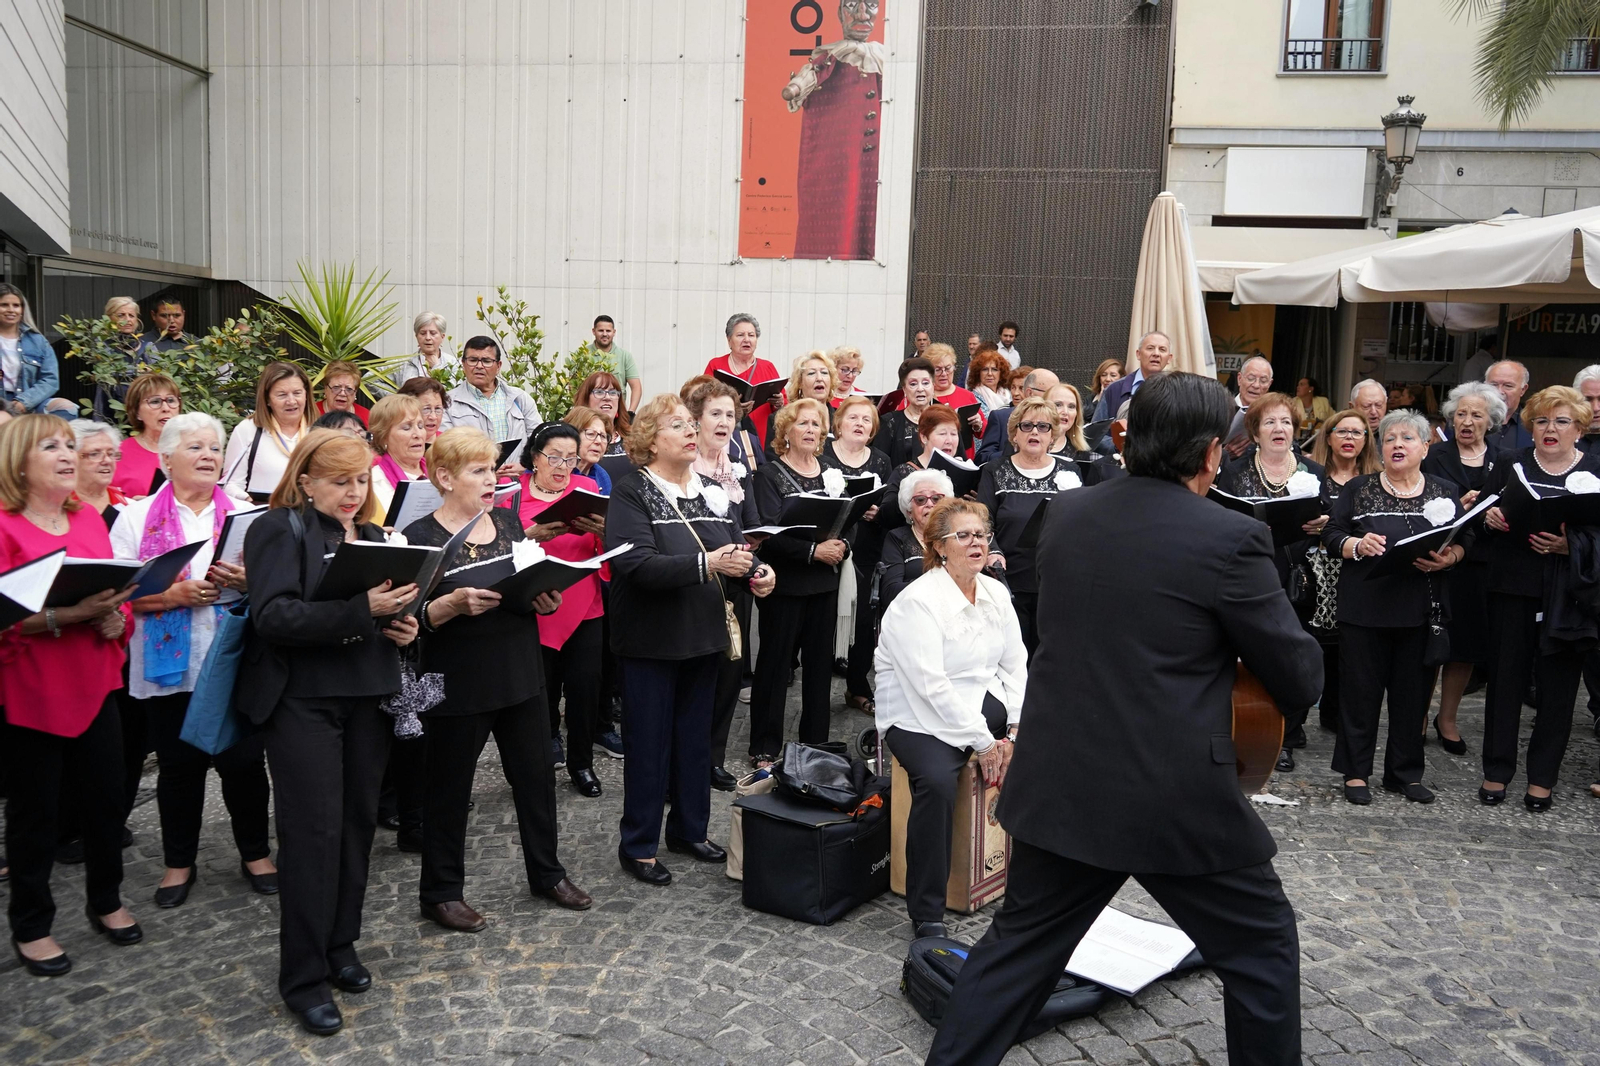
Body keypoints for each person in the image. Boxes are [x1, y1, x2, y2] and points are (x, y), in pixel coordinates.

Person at [926, 372, 1322, 1066]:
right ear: (1210, 454)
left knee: (1016, 954)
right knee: (1261, 950)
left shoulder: (1066, 515)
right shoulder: (1233, 539)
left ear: (1127, 438)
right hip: (1172, 793)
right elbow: (1299, 676)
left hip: (1064, 778)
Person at [239, 429, 420, 1036]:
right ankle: (303, 977)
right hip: (301, 702)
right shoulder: (277, 529)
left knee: (355, 827)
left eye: (361, 480)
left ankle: (341, 946)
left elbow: (385, 613)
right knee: (312, 834)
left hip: (367, 696)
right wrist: (359, 612)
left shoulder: (372, 537)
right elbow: (271, 615)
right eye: (339, 481)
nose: (353, 492)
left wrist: (402, 627)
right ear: (306, 480)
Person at [404, 428, 591, 933]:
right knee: (448, 789)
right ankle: (440, 893)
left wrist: (543, 596)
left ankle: (547, 873)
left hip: (520, 673)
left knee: (534, 780)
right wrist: (446, 606)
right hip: (457, 681)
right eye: (478, 471)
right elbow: (408, 621)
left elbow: (528, 584)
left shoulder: (508, 523)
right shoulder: (419, 537)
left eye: (492, 469)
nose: (492, 479)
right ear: (444, 477)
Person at [605, 395, 775, 885]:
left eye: (688, 424)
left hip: (703, 637)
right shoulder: (631, 490)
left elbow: (733, 546)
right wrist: (709, 564)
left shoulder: (707, 490)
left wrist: (758, 572)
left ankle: (688, 829)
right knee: (648, 744)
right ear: (648, 439)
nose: (688, 431)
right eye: (675, 424)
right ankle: (638, 844)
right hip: (651, 641)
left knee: (694, 741)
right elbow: (633, 564)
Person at [109, 412, 274, 908]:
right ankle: (178, 862)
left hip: (231, 658)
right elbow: (113, 597)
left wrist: (248, 582)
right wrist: (171, 596)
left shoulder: (246, 514)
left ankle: (256, 854)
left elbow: (275, 585)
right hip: (170, 667)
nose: (208, 456)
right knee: (179, 767)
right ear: (166, 458)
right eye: (195, 448)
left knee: (243, 762)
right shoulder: (135, 519)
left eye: (214, 448)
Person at [0, 415, 140, 977]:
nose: (66, 453)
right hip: (33, 690)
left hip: (96, 682)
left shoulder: (88, 520)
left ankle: (105, 900)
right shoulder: (5, 527)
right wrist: (67, 615)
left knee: (106, 804)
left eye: (68, 445)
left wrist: (115, 619)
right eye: (50, 446)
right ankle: (31, 926)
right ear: (18, 462)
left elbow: (116, 591)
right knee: (35, 816)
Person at [875, 498, 1025, 940]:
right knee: (937, 783)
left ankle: (1018, 879)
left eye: (981, 534)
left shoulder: (996, 591)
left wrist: (1014, 731)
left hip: (978, 699)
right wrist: (983, 741)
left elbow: (1015, 665)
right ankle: (928, 913)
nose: (976, 543)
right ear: (938, 546)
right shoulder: (916, 603)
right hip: (916, 713)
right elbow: (930, 686)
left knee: (1040, 752)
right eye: (964, 535)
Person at [1322, 410, 1465, 806]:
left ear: (1425, 446)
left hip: (1420, 608)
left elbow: (1462, 539)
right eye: (1389, 439)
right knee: (1360, 694)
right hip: (1365, 609)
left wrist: (1450, 557)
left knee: (1413, 697)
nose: (1397, 445)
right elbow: (1332, 533)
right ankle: (1355, 773)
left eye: (1407, 438)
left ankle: (1404, 773)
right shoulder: (1359, 488)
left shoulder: (1444, 490)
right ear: (1380, 448)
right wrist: (1356, 545)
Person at [1479, 386, 1600, 811]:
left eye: (1562, 421)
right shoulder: (1511, 463)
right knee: (1505, 683)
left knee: (1558, 690)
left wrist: (1573, 547)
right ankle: (1496, 772)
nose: (1551, 429)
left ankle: (1542, 779)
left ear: (1580, 428)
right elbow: (1479, 523)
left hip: (1568, 595)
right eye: (1543, 421)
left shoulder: (1597, 470)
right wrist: (1489, 519)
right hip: (1512, 586)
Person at [1219, 393, 1327, 770]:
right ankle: (1246, 724)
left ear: (1295, 430)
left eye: (1285, 422)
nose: (1279, 428)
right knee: (1249, 651)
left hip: (1299, 574)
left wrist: (1324, 525)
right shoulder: (1234, 471)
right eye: (1270, 422)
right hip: (1249, 572)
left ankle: (1288, 734)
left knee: (1291, 653)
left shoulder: (1314, 473)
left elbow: (1332, 519)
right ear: (1255, 431)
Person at [749, 398, 851, 766]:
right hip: (785, 584)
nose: (811, 430)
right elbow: (768, 533)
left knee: (820, 668)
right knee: (775, 666)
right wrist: (812, 552)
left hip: (824, 583)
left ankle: (815, 743)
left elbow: (844, 519)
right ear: (785, 432)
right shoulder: (768, 475)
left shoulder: (830, 472)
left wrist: (842, 545)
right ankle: (764, 744)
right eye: (803, 423)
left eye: (816, 424)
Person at [517, 422, 609, 796]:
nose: (562, 466)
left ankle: (582, 763)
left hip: (585, 602)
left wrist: (606, 530)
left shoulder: (587, 489)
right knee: (541, 692)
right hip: (535, 606)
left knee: (586, 690)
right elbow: (496, 553)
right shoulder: (512, 495)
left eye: (570, 458)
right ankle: (539, 759)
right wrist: (528, 537)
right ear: (534, 457)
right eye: (553, 457)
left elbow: (607, 546)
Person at [977, 397, 1109, 654]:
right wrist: (992, 550)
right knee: (1012, 653)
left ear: (1053, 436)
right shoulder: (995, 470)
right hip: (1007, 579)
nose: (1035, 432)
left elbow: (1081, 521)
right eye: (1026, 426)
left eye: (1043, 427)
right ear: (1015, 434)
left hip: (1055, 579)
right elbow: (982, 520)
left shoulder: (1070, 470)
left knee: (1051, 653)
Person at [1421, 381, 1506, 756]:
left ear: (1492, 422)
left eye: (1476, 415)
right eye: (1460, 414)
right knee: (1431, 642)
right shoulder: (1433, 454)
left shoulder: (1506, 460)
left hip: (1482, 563)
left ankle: (1448, 718)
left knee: (1466, 646)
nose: (1466, 421)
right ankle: (1419, 715)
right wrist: (1456, 504)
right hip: (1439, 560)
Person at [686, 380, 763, 789]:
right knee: (698, 680)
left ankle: (713, 757)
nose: (724, 422)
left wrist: (760, 567)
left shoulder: (735, 470)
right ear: (694, 420)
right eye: (715, 414)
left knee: (730, 677)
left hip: (735, 587)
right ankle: (686, 762)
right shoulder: (683, 471)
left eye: (730, 415)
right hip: (698, 586)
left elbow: (749, 529)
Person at [779, 0, 884, 260]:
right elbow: (809, 76)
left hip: (874, 160)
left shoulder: (884, 57)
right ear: (840, 13)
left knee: (870, 210)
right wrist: (796, 88)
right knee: (839, 209)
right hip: (837, 156)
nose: (862, 13)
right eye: (851, 5)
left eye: (871, 5)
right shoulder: (832, 56)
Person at [1306, 409, 1380, 736]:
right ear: (1329, 436)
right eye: (1343, 431)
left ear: (1366, 441)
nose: (1349, 438)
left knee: (1347, 648)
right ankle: (1298, 719)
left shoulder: (1379, 476)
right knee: (1315, 645)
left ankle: (1335, 714)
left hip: (1358, 571)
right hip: (1315, 571)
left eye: (1357, 433)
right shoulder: (1310, 472)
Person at [824, 395, 892, 714]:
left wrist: (876, 510)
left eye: (867, 420)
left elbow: (888, 499)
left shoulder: (880, 460)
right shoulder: (823, 454)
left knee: (863, 620)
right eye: (853, 418)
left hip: (866, 547)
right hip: (829, 544)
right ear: (838, 423)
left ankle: (857, 687)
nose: (860, 424)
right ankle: (817, 683)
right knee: (823, 618)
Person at [224, 362, 314, 503]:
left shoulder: (318, 430)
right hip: (262, 515)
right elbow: (230, 484)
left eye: (297, 393)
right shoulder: (248, 430)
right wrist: (250, 502)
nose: (291, 401)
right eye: (282, 395)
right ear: (267, 399)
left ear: (306, 394)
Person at [441, 336, 542, 458]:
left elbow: (538, 439)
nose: (479, 366)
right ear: (463, 364)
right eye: (473, 360)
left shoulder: (519, 398)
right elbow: (445, 448)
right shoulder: (447, 402)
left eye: (486, 361)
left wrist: (525, 466)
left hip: (516, 475)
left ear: (498, 366)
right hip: (472, 475)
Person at [877, 469, 952, 612]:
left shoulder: (957, 536)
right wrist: (939, 585)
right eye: (920, 500)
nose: (929, 504)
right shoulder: (897, 538)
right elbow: (890, 592)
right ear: (909, 510)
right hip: (913, 615)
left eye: (937, 498)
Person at [881, 405, 964, 534]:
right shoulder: (904, 472)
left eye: (954, 434)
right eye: (942, 434)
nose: (949, 440)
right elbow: (886, 515)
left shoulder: (962, 470)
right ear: (924, 437)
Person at [704, 313, 783, 447]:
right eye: (740, 335)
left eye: (751, 335)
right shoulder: (716, 365)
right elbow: (704, 402)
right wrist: (734, 408)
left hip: (762, 439)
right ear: (729, 340)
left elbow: (785, 408)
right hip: (725, 439)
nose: (746, 340)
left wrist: (779, 403)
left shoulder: (768, 367)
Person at [0, 284, 75, 417]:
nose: (11, 310)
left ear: (23, 309)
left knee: (67, 408)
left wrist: (24, 402)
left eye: (16, 305)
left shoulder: (38, 341)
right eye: (4, 305)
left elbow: (50, 379)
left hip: (30, 400)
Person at [112, 373, 182, 499]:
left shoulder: (191, 449)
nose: (166, 408)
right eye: (155, 402)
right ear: (137, 412)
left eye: (171, 400)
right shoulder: (118, 454)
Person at [976, 369, 1060, 464]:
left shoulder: (1065, 420)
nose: (1056, 398)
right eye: (1050, 392)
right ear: (1030, 393)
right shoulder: (1001, 417)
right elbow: (982, 458)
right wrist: (1015, 453)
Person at [367, 394, 429, 519]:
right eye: (407, 428)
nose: (418, 434)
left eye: (421, 426)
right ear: (383, 436)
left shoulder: (439, 473)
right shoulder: (373, 482)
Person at [93, 296, 155, 419]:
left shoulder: (147, 345)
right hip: (111, 405)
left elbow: (159, 373)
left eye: (131, 316)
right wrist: (140, 371)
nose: (127, 320)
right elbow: (105, 373)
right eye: (121, 315)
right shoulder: (101, 344)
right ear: (109, 318)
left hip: (142, 404)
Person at [1092, 331, 1171, 422]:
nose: (1156, 354)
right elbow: (1096, 433)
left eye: (1162, 349)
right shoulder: (1113, 390)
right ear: (1138, 354)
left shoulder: (1177, 391)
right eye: (1150, 348)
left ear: (1169, 358)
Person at [926, 342, 986, 447]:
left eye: (948, 368)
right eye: (938, 370)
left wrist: (978, 425)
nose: (944, 374)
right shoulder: (922, 397)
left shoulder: (967, 396)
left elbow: (983, 430)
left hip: (963, 457)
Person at [70, 420, 128, 528]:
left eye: (111, 453)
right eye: (95, 454)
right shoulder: (60, 506)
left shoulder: (128, 505)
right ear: (71, 459)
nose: (107, 460)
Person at [383, 312, 458, 391]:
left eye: (433, 333)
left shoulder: (453, 364)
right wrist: (397, 398)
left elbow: (451, 393)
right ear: (416, 336)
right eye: (423, 333)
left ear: (442, 337)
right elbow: (371, 379)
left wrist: (437, 367)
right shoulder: (404, 363)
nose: (428, 338)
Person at [1222, 356, 1274, 457]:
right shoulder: (1221, 408)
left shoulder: (1273, 414)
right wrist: (1224, 454)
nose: (1256, 385)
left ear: (1269, 384)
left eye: (1263, 381)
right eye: (1251, 378)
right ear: (1239, 379)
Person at [575, 370, 632, 455]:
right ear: (586, 399)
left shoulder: (633, 440)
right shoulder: (574, 440)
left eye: (613, 392)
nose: (607, 397)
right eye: (599, 392)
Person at [592, 316, 643, 411]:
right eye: (600, 331)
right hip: (590, 413)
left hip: (617, 413)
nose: (604, 334)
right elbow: (573, 388)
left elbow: (636, 387)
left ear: (614, 332)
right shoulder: (583, 355)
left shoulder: (625, 356)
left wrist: (631, 412)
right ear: (593, 331)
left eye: (608, 331)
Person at [563, 405, 618, 494]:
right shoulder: (558, 471)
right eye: (591, 434)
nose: (598, 441)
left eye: (603, 436)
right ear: (573, 436)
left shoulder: (602, 476)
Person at [1043, 383, 1101, 462]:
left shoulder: (1083, 455)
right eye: (1058, 405)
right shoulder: (1026, 446)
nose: (1065, 412)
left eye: (1071, 406)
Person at [1485, 360, 1533, 452]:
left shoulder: (1533, 426)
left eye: (1508, 386)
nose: (1499, 391)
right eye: (1493, 385)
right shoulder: (1467, 421)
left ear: (1523, 390)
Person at [314, 361, 371, 427]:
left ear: (355, 392)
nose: (342, 393)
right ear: (326, 389)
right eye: (336, 387)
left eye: (349, 389)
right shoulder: (311, 413)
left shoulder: (366, 417)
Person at [966, 347, 1012, 414]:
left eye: (994, 369)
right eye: (985, 369)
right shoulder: (973, 397)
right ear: (978, 373)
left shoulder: (1008, 394)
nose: (990, 374)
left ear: (1001, 373)